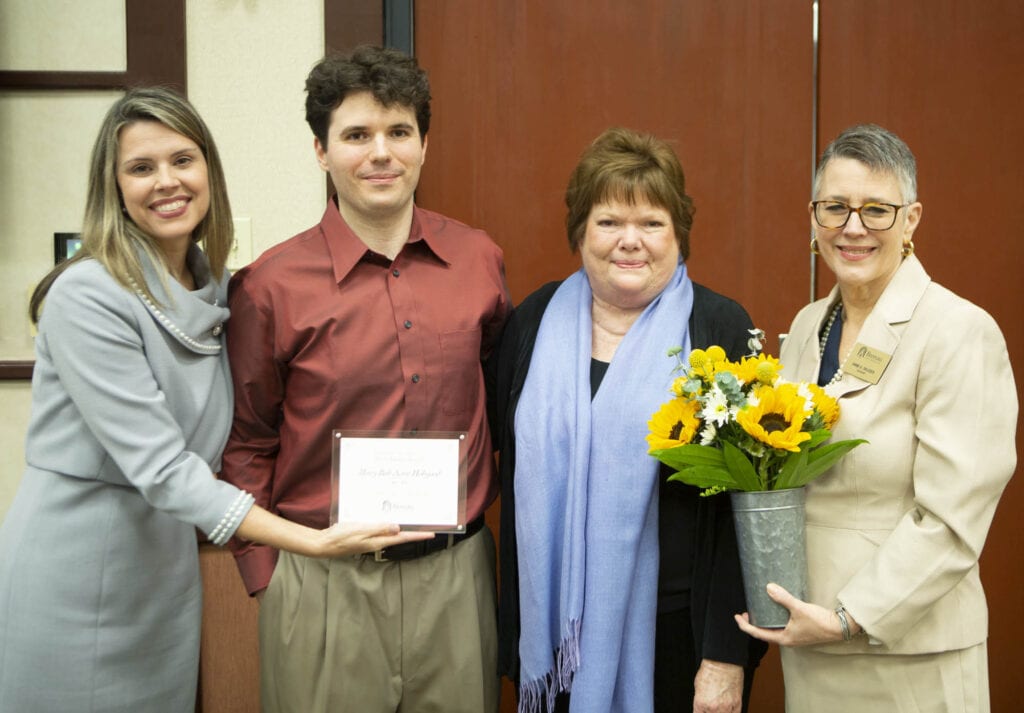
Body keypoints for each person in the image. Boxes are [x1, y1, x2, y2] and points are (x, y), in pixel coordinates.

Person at [0, 87, 429, 712]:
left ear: (209, 171)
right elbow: (164, 468)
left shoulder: (219, 288)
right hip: (78, 563)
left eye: (182, 160)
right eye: (141, 168)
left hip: (165, 565)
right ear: (113, 187)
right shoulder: (87, 295)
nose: (166, 182)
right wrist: (307, 541)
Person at [220, 46, 511, 713]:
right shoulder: (270, 285)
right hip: (322, 583)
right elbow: (245, 443)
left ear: (424, 144)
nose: (380, 153)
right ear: (322, 152)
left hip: (454, 579)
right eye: (356, 135)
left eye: (398, 132)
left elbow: (499, 398)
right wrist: (269, 579)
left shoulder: (478, 259)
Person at [736, 124, 1018, 712]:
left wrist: (849, 618)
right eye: (834, 208)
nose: (852, 228)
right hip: (810, 641)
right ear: (814, 217)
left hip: (907, 653)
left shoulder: (958, 331)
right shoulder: (811, 325)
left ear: (911, 218)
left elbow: (952, 518)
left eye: (876, 210)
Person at [492, 127, 767, 713]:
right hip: (557, 638)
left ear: (678, 235)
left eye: (651, 223)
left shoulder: (719, 331)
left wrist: (726, 657)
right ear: (581, 232)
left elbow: (750, 512)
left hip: (680, 643)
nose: (630, 241)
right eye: (609, 221)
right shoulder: (532, 323)